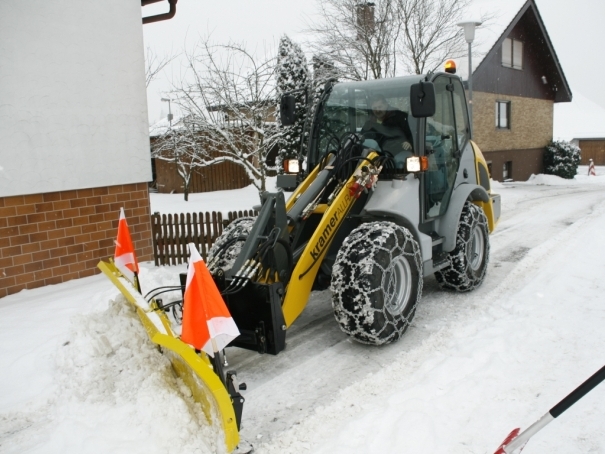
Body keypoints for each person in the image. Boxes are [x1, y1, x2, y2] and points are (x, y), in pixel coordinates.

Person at [361, 95, 414, 160]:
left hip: (397, 152)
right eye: (375, 108)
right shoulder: (369, 122)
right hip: (375, 155)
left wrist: (409, 142)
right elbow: (362, 137)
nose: (377, 110)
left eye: (380, 107)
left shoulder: (399, 117)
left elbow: (412, 132)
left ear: (386, 105)